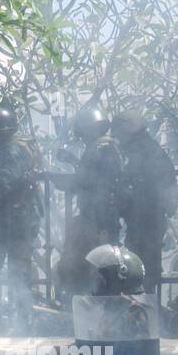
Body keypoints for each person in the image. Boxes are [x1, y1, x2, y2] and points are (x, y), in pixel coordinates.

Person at [0, 103, 41, 333]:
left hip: (12, 220)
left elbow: (3, 184)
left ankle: (3, 322)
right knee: (19, 271)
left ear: (2, 130)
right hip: (19, 219)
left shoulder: (12, 151)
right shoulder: (24, 147)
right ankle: (22, 322)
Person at [58, 105, 123, 300]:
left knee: (101, 265)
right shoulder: (102, 147)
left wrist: (69, 179)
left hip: (100, 217)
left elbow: (94, 181)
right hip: (95, 216)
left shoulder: (103, 148)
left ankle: (103, 309)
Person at [112, 110, 175, 295]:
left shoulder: (141, 153)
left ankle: (143, 313)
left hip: (145, 220)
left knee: (140, 271)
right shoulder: (153, 150)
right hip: (148, 220)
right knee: (143, 269)